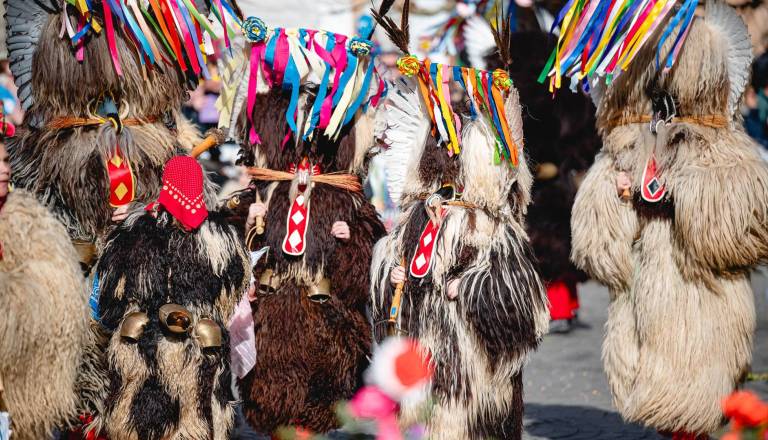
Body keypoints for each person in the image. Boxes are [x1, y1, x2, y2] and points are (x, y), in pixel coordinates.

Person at [562, 0, 768, 437]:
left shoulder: (724, 146)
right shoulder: (640, 136)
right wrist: (618, 191)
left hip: (696, 289)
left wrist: (680, 193)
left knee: (693, 382)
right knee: (652, 378)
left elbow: (739, 223)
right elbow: (595, 231)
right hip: (647, 285)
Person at [370, 3, 549, 438]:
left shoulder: (491, 220)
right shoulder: (420, 205)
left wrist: (469, 285)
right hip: (423, 331)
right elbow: (391, 254)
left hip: (471, 347)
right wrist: (390, 273)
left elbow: (523, 299)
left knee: (469, 415)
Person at [216, 16, 387, 434]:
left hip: (323, 310)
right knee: (270, 390)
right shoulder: (266, 186)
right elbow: (232, 237)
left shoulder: (343, 190)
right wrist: (247, 221)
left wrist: (354, 240)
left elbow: (370, 243)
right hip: (273, 308)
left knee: (318, 394)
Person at [87, 155, 249, 439]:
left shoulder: (133, 233)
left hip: (143, 355)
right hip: (196, 356)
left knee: (142, 425)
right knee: (195, 425)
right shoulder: (221, 239)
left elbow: (109, 301)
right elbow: (232, 293)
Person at [0, 120, 89, 440]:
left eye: (6, 160)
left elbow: (58, 294)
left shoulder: (32, 224)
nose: (4, 169)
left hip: (21, 382)